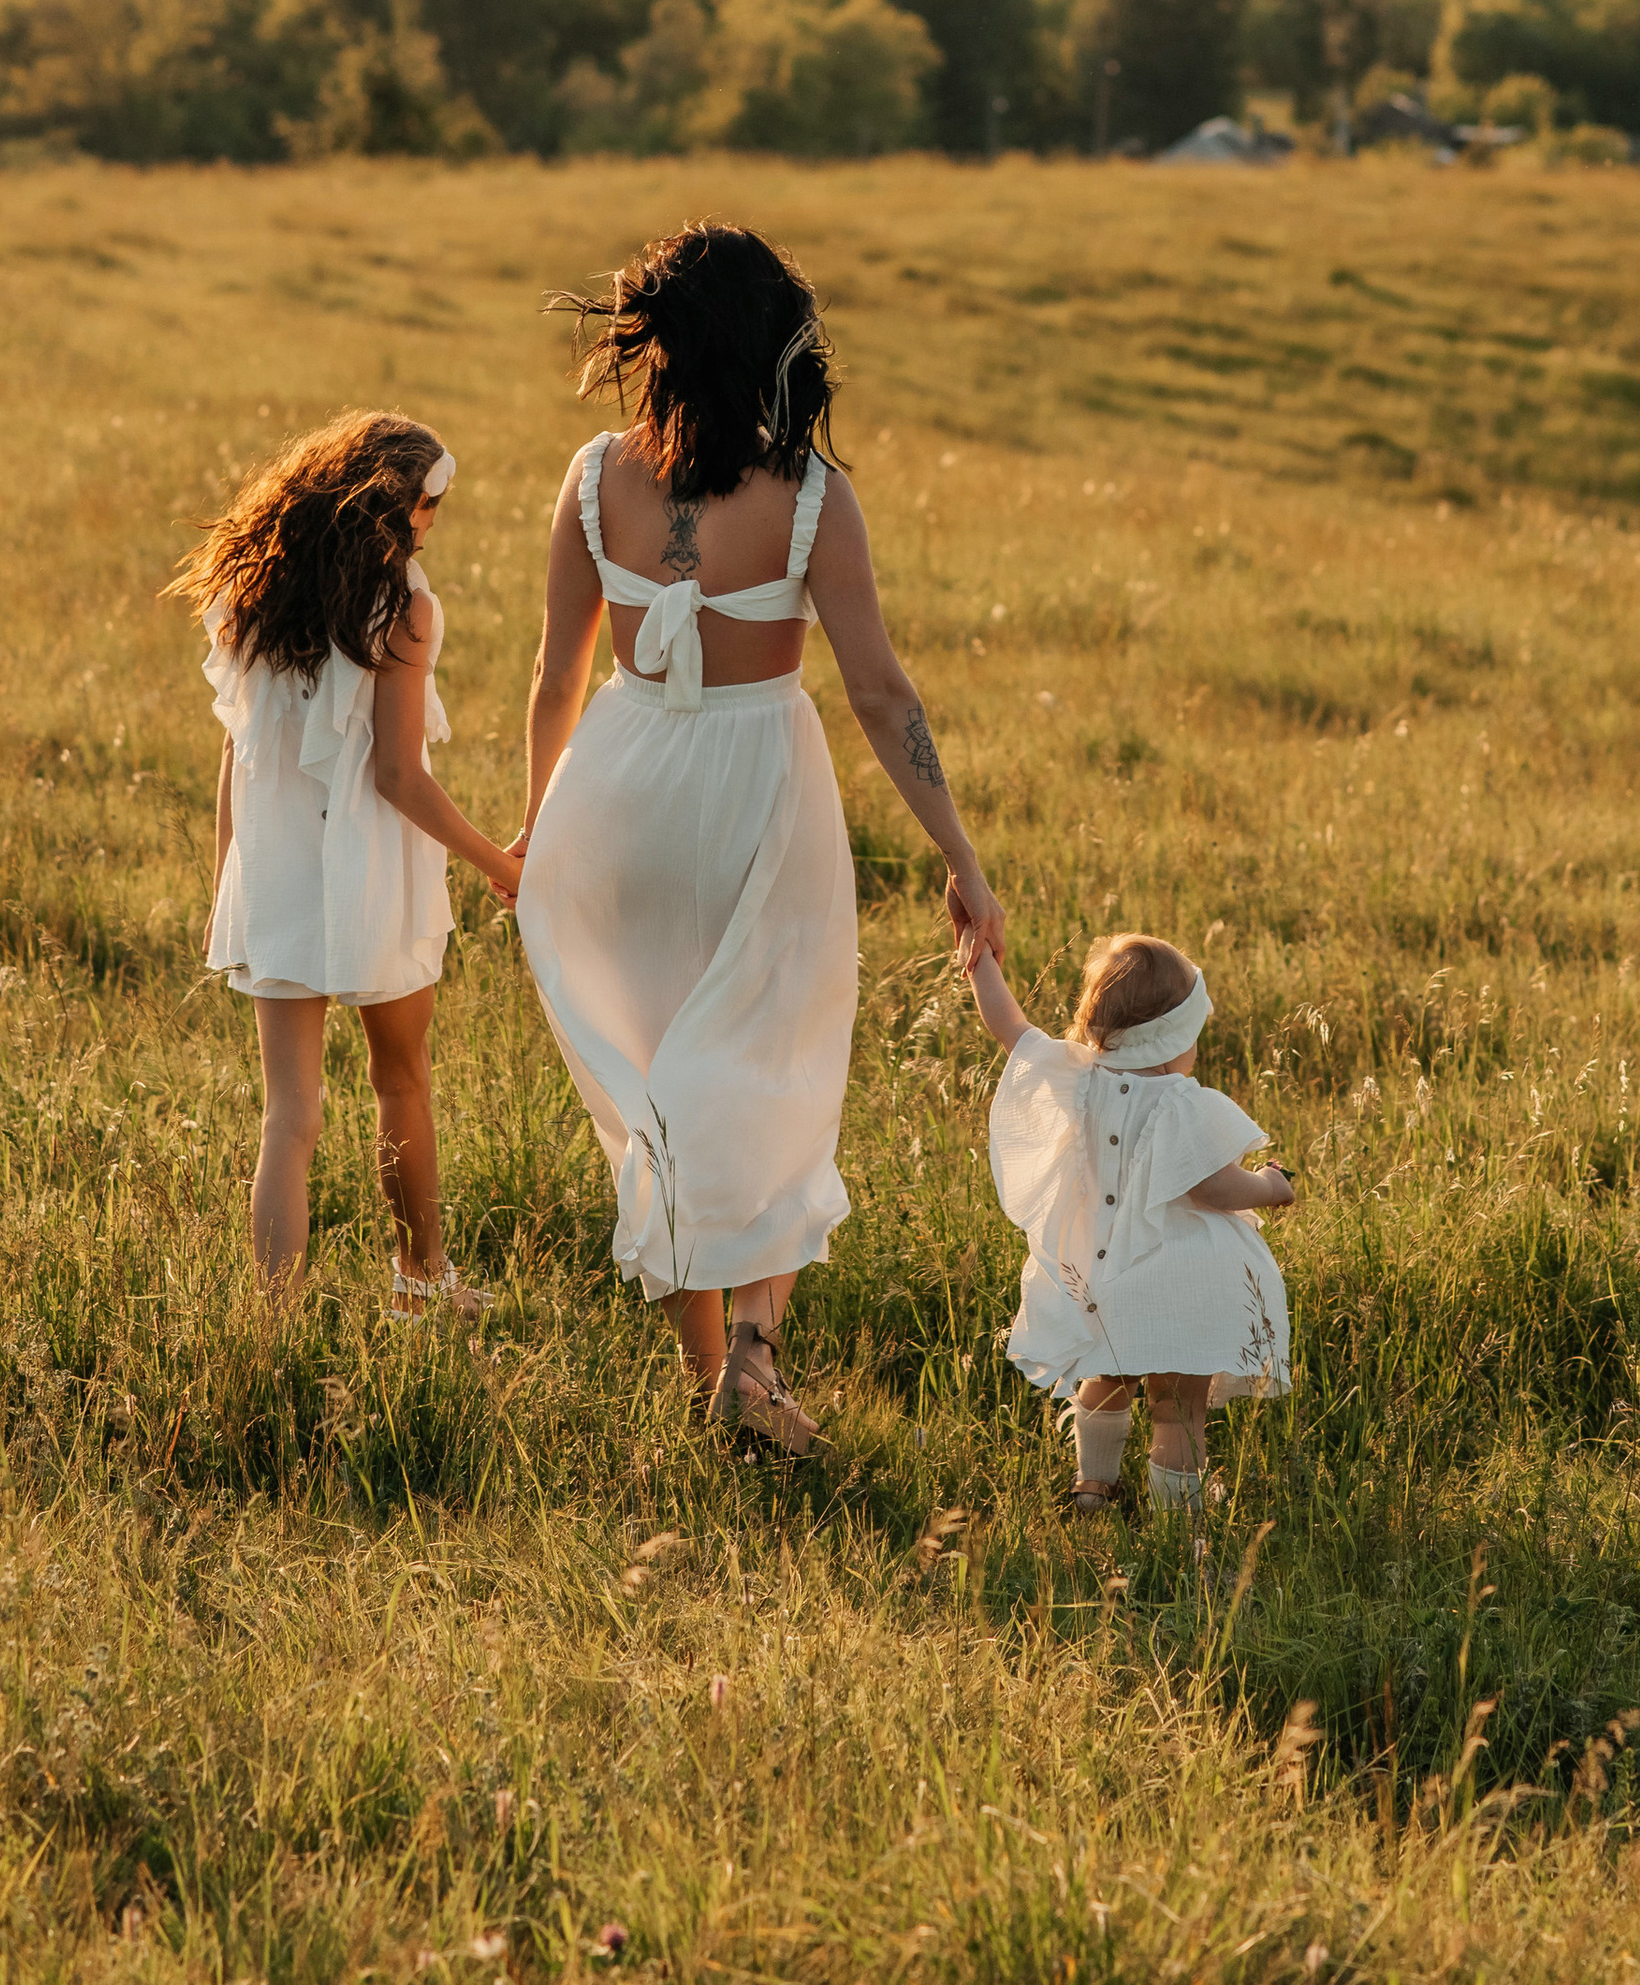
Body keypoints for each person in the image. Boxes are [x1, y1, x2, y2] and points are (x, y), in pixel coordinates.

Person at [514, 221, 1002, 1455]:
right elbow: (881, 694)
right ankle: (755, 1359)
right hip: (753, 796)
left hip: (615, 793)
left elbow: (551, 678)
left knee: (662, 1096)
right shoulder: (811, 499)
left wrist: (537, 831)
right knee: (775, 1075)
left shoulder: (590, 479)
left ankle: (708, 1383)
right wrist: (960, 853)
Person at [168, 412, 524, 1305]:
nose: (434, 523)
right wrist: (498, 861)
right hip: (372, 872)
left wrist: (228, 883)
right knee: (400, 1080)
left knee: (288, 1117)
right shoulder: (403, 607)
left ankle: (271, 1325)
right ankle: (420, 1281)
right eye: (430, 506)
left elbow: (234, 756)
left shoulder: (256, 592)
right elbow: (398, 776)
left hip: (277, 868)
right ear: (392, 508)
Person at [967, 927, 1295, 1514]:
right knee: (1176, 1407)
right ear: (1172, 1042)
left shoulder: (1077, 1079)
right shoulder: (1183, 1103)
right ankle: (1178, 1517)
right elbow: (1216, 1187)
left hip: (1100, 1277)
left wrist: (980, 957)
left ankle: (1093, 1488)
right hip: (1181, 1280)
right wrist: (1271, 1186)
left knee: (1105, 1381)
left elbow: (1009, 1026)